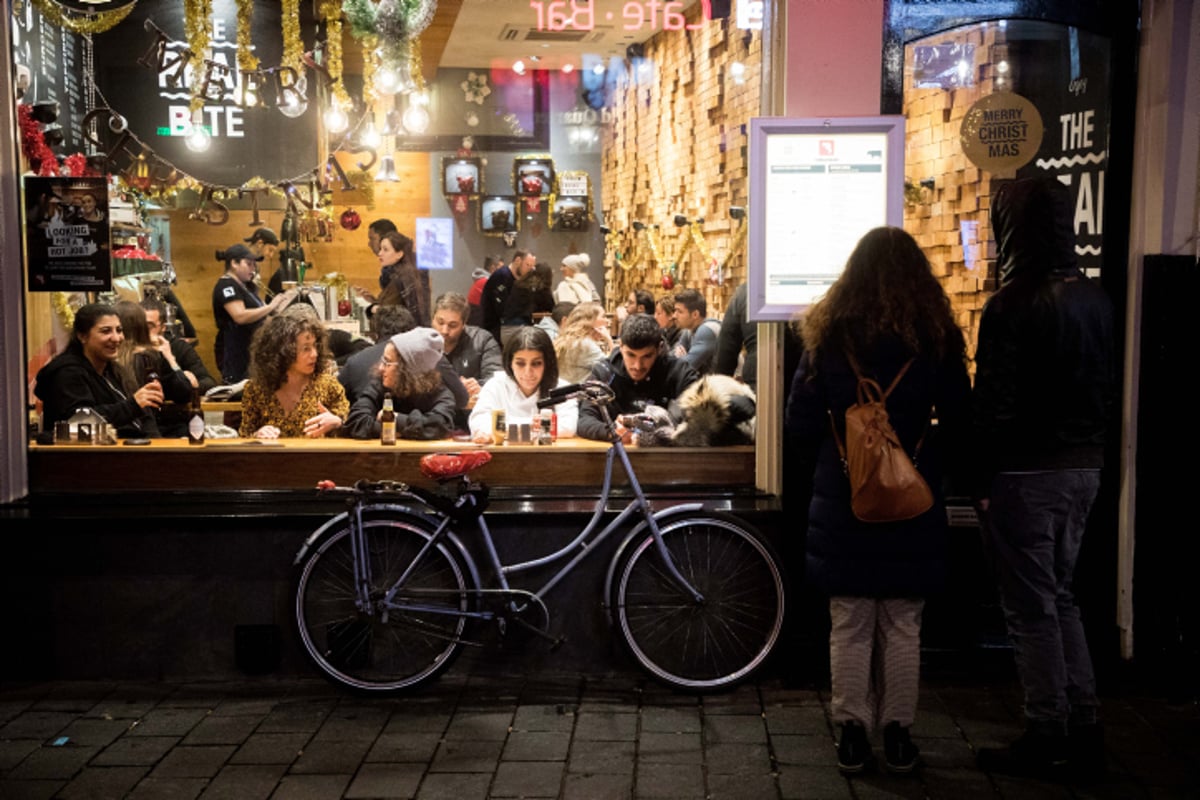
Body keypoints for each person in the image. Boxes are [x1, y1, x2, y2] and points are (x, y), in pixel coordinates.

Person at [784, 226, 970, 777]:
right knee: (903, 621)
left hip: (843, 499)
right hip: (914, 498)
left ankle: (852, 733)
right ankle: (898, 733)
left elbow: (798, 422)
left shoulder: (829, 333)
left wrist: (841, 453)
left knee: (850, 620)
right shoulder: (935, 334)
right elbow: (960, 419)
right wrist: (920, 461)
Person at [971, 177, 1116, 779]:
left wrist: (979, 478)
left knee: (1029, 606)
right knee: (1062, 596)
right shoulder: (1096, 299)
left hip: (1026, 472)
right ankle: (1084, 723)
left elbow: (995, 404)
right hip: (1085, 464)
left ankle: (1047, 728)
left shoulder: (1009, 305)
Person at [34, 302, 164, 438]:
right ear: (82, 336)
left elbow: (144, 415)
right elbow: (80, 422)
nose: (116, 338)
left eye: (119, 330)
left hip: (128, 451)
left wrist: (157, 447)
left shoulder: (112, 368)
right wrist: (133, 405)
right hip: (84, 456)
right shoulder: (67, 372)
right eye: (106, 331)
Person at [577, 313, 700, 443]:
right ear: (621, 345)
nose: (637, 366)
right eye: (631, 355)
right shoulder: (604, 372)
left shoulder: (679, 372)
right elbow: (584, 420)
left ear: (659, 348)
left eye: (647, 356)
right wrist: (611, 431)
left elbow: (699, 420)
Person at [238, 311, 348, 439]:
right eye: (306, 348)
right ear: (283, 352)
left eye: (315, 346)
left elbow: (349, 426)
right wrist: (257, 434)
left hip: (317, 457)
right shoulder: (256, 389)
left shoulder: (328, 385)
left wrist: (337, 422)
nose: (315, 354)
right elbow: (245, 436)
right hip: (273, 458)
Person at [468, 326, 579, 443]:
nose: (528, 372)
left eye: (536, 363)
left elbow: (568, 427)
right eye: (520, 364)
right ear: (510, 363)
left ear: (547, 363)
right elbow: (479, 423)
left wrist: (506, 427)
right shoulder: (495, 385)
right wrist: (534, 425)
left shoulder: (563, 388)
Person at [342, 328, 457, 441]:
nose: (381, 368)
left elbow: (438, 427)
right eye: (383, 360)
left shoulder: (442, 395)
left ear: (408, 370)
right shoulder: (380, 385)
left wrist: (393, 418)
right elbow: (356, 420)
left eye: (388, 362)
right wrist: (396, 429)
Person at [211, 243, 296, 383]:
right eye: (249, 264)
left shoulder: (246, 287)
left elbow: (262, 314)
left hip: (251, 349)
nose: (253, 268)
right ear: (234, 263)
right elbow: (240, 316)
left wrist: (281, 305)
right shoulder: (226, 285)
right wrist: (271, 306)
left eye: (254, 265)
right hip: (234, 352)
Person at [114, 300, 193, 436]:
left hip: (115, 432)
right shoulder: (150, 357)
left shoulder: (105, 360)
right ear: (141, 326)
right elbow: (184, 393)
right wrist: (170, 358)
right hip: (149, 432)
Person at [141, 296, 218, 436]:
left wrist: (187, 379)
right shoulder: (129, 351)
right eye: (139, 326)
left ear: (163, 328)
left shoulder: (179, 348)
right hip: (141, 423)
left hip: (174, 421)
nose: (143, 331)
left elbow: (208, 382)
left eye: (149, 326)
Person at [431, 292, 503, 425]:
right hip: (433, 419)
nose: (444, 330)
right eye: (440, 322)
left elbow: (496, 378)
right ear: (432, 318)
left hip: (471, 421)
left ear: (464, 324)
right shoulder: (421, 342)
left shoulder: (482, 340)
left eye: (453, 325)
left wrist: (478, 386)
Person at [374, 231, 430, 326]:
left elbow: (387, 311)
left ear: (399, 254)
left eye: (385, 250)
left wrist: (371, 309)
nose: (380, 253)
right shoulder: (399, 273)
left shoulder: (403, 277)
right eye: (380, 249)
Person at [481, 250, 533, 344]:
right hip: (495, 328)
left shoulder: (519, 280)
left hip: (508, 326)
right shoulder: (501, 276)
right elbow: (501, 308)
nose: (529, 270)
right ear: (518, 260)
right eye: (527, 265)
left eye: (531, 267)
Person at [554, 302, 614, 383]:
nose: (607, 321)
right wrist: (609, 339)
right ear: (590, 320)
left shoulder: (570, 339)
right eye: (603, 316)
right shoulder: (584, 344)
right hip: (578, 392)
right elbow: (611, 370)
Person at [501, 260, 555, 346]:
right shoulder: (543, 290)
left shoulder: (518, 284)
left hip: (504, 328)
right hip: (522, 330)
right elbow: (551, 311)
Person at [714, 282, 757, 390]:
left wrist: (719, 386)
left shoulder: (745, 292)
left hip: (758, 376)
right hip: (802, 380)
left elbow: (726, 349)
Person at [672, 287, 721, 375]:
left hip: (728, 385)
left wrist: (682, 359)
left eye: (679, 311)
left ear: (695, 314)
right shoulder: (688, 330)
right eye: (675, 310)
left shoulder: (707, 330)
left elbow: (685, 368)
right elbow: (673, 355)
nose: (674, 316)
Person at [468, 255, 502, 326]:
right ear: (493, 268)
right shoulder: (486, 281)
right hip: (478, 320)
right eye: (501, 268)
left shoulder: (484, 279)